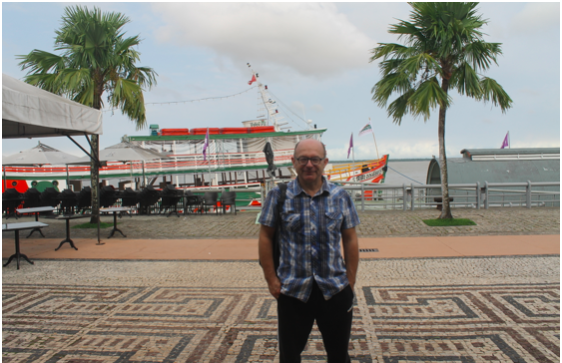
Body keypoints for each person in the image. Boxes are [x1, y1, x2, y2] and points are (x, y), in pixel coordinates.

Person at [258, 138, 360, 363]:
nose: (309, 164)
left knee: (339, 356)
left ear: (325, 162)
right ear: (293, 162)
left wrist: (349, 281)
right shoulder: (278, 196)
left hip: (334, 288)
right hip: (293, 290)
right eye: (303, 159)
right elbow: (265, 237)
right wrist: (271, 280)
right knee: (290, 356)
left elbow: (350, 239)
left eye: (315, 159)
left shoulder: (340, 195)